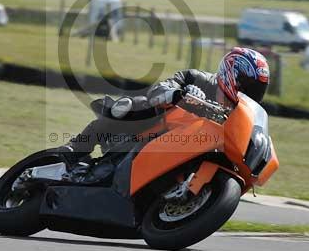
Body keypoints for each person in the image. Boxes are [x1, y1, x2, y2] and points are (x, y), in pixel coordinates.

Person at [59, 47, 271, 165]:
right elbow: (160, 89)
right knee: (129, 106)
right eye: (250, 87)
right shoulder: (196, 78)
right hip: (156, 131)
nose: (252, 95)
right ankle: (75, 148)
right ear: (232, 75)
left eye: (257, 90)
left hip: (185, 152)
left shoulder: (241, 113)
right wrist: (177, 94)